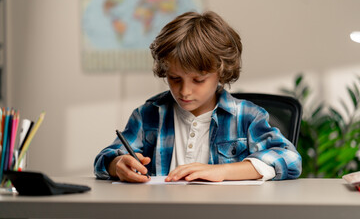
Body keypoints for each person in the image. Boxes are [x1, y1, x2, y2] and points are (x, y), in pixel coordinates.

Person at [94, 11, 302, 183]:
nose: (184, 91)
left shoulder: (247, 116)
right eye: (175, 78)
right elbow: (106, 159)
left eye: (198, 80)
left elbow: (290, 159)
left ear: (221, 72)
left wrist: (223, 171)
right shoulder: (148, 115)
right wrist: (117, 164)